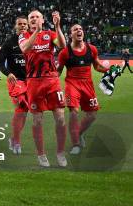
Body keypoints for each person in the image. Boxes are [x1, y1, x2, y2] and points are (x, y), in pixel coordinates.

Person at [18, 10, 67, 167]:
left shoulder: (50, 33)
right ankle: (41, 154)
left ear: (42, 20)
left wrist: (58, 26)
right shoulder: (23, 35)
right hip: (34, 82)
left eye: (36, 17)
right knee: (37, 120)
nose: (33, 19)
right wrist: (36, 32)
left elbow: (63, 45)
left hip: (52, 80)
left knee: (60, 118)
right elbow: (25, 49)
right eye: (31, 17)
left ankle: (60, 153)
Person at [57, 24, 108, 154]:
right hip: (72, 84)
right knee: (74, 112)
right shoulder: (64, 52)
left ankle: (79, 133)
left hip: (87, 85)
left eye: (81, 29)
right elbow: (58, 72)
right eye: (75, 29)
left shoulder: (92, 49)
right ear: (70, 35)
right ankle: (75, 144)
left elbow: (97, 67)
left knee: (92, 115)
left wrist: (109, 70)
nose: (79, 30)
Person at [0, 17, 29, 155]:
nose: (22, 26)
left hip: (30, 81)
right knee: (21, 108)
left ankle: (13, 138)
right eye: (19, 24)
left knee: (25, 112)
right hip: (16, 81)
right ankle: (17, 142)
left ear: (27, 26)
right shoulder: (9, 43)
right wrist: (8, 73)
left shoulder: (32, 41)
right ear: (15, 26)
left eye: (24, 24)